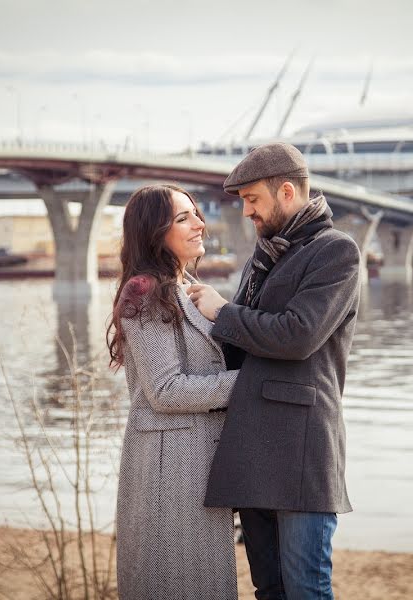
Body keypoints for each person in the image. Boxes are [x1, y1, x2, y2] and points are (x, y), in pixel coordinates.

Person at [188, 143, 361, 600]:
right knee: (270, 589)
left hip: (302, 452)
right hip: (250, 449)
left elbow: (298, 335)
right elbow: (241, 344)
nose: (246, 212)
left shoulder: (336, 253)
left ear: (286, 191)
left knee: (306, 589)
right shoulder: (264, 256)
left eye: (252, 200)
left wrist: (223, 313)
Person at [107, 183, 238, 600]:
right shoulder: (143, 291)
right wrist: (249, 386)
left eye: (196, 213)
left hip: (196, 464)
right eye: (183, 218)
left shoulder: (184, 289)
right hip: (169, 470)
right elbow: (165, 390)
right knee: (174, 585)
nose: (200, 223)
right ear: (154, 232)